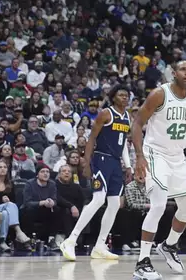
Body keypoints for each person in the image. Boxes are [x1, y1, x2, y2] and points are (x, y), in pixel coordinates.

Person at [132, 61, 186, 280]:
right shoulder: (159, 94)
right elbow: (137, 123)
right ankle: (142, 263)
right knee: (159, 204)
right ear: (173, 73)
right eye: (183, 69)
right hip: (155, 153)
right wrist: (139, 156)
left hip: (178, 157)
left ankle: (169, 245)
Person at [60, 85, 132, 261]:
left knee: (115, 204)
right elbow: (92, 138)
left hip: (115, 162)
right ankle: (71, 240)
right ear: (114, 97)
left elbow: (122, 144)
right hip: (101, 159)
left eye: (126, 95)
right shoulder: (106, 114)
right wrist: (86, 162)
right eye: (121, 95)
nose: (124, 98)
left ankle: (100, 245)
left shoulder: (128, 117)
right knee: (99, 199)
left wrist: (128, 165)